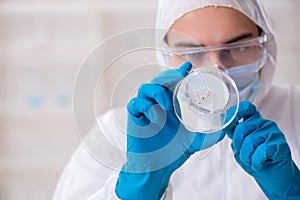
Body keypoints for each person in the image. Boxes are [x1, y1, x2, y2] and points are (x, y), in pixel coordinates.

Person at [53, 0, 300, 199]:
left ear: (266, 47)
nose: (217, 69)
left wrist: (291, 191)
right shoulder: (116, 132)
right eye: (192, 53)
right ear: (167, 56)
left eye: (238, 47)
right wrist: (138, 186)